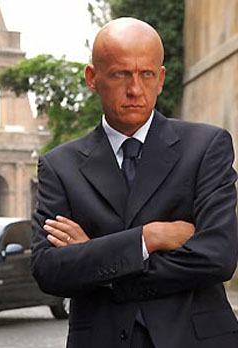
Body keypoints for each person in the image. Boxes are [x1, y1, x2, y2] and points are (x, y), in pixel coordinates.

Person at [31, 17, 238, 348]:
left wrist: (100, 262)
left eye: (146, 75)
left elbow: (218, 257)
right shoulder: (60, 166)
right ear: (92, 78)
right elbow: (49, 270)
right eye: (120, 74)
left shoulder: (206, 147)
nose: (135, 90)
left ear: (161, 79)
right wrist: (150, 237)